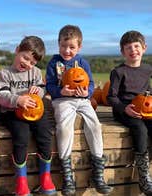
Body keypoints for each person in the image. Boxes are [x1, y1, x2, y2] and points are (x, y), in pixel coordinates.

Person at [46, 24, 113, 195]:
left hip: (82, 100)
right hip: (62, 100)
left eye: (71, 47)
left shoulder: (82, 62)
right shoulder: (54, 62)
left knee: (94, 125)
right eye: (63, 46)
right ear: (58, 43)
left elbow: (90, 83)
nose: (67, 50)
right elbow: (50, 86)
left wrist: (87, 92)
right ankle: (67, 173)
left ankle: (98, 172)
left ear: (79, 47)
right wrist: (60, 91)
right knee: (64, 127)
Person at [0, 36, 56, 196]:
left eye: (32, 62)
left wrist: (39, 91)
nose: (27, 64)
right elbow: (0, 95)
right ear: (17, 50)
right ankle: (21, 181)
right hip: (11, 112)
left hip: (34, 111)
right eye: (25, 57)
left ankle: (46, 177)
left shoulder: (35, 73)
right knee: (21, 137)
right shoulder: (5, 74)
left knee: (45, 133)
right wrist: (18, 99)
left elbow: (42, 89)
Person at [107, 30, 152, 195]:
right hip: (124, 110)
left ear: (144, 48)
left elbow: (147, 90)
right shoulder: (118, 72)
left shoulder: (147, 69)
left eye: (136, 46)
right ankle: (143, 178)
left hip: (144, 109)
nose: (133, 50)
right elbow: (111, 97)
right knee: (140, 129)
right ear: (122, 52)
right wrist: (124, 108)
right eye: (128, 47)